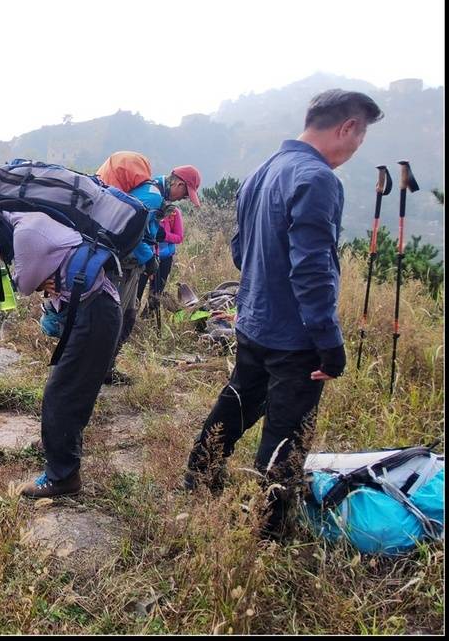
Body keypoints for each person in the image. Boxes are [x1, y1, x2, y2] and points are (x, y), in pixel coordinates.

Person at [184, 89, 384, 540]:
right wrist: (329, 343)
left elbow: (240, 252)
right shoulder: (317, 179)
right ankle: (268, 527)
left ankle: (199, 475)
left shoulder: (261, 171)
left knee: (238, 399)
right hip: (295, 336)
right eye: (361, 136)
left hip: (253, 321)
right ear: (347, 127)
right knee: (287, 430)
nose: (356, 149)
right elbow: (312, 270)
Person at [0, 208, 121, 498]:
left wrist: (34, 280)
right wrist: (38, 279)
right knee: (71, 390)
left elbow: (23, 285)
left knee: (61, 394)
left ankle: (63, 477)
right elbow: (34, 279)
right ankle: (60, 447)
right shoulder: (22, 222)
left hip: (95, 313)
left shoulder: (25, 234)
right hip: (92, 310)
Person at [104, 162, 202, 384]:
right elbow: (125, 228)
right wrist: (148, 258)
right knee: (115, 318)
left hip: (129, 265)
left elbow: (143, 225)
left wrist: (155, 233)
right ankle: (98, 372)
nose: (184, 198)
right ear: (178, 183)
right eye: (185, 193)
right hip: (124, 266)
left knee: (127, 318)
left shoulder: (154, 192)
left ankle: (106, 369)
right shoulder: (153, 197)